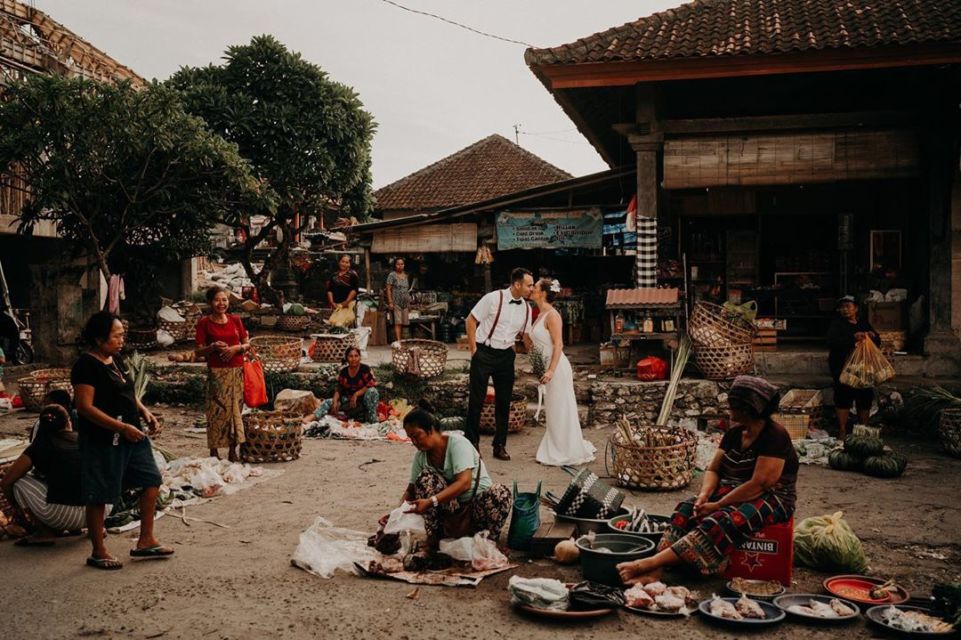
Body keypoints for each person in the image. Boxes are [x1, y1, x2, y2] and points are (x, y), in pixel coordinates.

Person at [617, 376, 797, 586]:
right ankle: (656, 570)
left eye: (732, 404)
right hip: (733, 488)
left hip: (772, 496)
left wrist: (718, 504)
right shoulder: (734, 433)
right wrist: (704, 496)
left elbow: (760, 484)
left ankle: (647, 564)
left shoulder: (775, 435)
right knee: (686, 509)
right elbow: (714, 470)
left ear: (747, 409)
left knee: (723, 520)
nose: (727, 407)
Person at [72, 311, 173, 570]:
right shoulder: (86, 365)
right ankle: (98, 551)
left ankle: (146, 540)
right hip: (104, 438)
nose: (121, 340)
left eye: (121, 335)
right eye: (115, 336)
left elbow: (126, 391)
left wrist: (144, 411)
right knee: (100, 494)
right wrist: (121, 426)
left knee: (151, 481)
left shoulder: (115, 360)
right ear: (98, 339)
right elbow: (84, 407)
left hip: (132, 433)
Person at [386, 402, 513, 549]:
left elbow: (464, 483)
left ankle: (488, 542)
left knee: (499, 493)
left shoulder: (458, 444)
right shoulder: (421, 457)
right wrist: (395, 515)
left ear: (431, 430)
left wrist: (431, 501)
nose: (414, 442)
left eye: (417, 436)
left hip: (477, 509)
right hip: (450, 514)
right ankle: (435, 539)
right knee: (426, 479)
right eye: (411, 438)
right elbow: (411, 491)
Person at [1, 405, 107, 546]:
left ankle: (44, 532)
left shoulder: (39, 446)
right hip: (101, 511)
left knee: (18, 482)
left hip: (62, 517)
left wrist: (17, 510)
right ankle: (97, 529)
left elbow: (7, 481)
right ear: (68, 422)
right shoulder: (86, 440)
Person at [465, 267, 534, 460]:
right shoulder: (493, 298)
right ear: (517, 284)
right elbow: (470, 320)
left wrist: (540, 357)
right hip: (484, 352)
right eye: (529, 285)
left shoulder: (527, 309)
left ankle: (500, 445)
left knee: (504, 402)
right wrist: (473, 350)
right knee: (476, 400)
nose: (531, 289)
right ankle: (472, 443)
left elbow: (526, 338)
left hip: (505, 356)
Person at [530, 278, 596, 466]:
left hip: (557, 367)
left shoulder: (552, 315)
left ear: (542, 293)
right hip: (546, 366)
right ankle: (556, 445)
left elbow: (558, 344)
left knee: (561, 408)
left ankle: (565, 449)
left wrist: (550, 370)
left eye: (535, 287)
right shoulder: (539, 314)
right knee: (553, 410)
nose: (532, 289)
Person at [195, 286, 251, 461]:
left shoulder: (235, 320)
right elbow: (198, 351)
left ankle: (233, 449)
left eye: (225, 300)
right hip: (217, 373)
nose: (222, 303)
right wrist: (212, 347)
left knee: (235, 411)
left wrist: (236, 348)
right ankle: (214, 451)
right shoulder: (204, 323)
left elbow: (247, 344)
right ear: (210, 302)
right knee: (216, 412)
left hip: (237, 372)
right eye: (218, 300)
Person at [827, 295, 881, 439]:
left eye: (848, 306)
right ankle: (843, 430)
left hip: (862, 368)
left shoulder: (863, 323)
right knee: (843, 396)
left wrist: (872, 336)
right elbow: (832, 341)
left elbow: (877, 340)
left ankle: (863, 428)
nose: (844, 310)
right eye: (842, 307)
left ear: (855, 308)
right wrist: (852, 338)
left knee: (864, 396)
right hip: (843, 366)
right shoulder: (837, 324)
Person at [310, 347, 379, 423]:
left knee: (372, 391)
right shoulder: (344, 371)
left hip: (363, 401)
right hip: (348, 402)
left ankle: (373, 420)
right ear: (346, 358)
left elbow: (370, 384)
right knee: (328, 402)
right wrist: (335, 400)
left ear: (360, 357)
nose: (353, 359)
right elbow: (339, 388)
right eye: (351, 356)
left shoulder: (365, 369)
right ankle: (310, 418)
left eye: (356, 356)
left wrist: (356, 394)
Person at [385, 257, 411, 343]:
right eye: (398, 264)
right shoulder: (392, 275)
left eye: (402, 264)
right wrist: (390, 302)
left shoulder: (405, 275)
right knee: (398, 322)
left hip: (405, 303)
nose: (400, 266)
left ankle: (403, 341)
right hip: (396, 302)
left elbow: (406, 290)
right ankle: (399, 341)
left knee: (405, 323)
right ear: (395, 265)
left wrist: (409, 302)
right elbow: (388, 289)